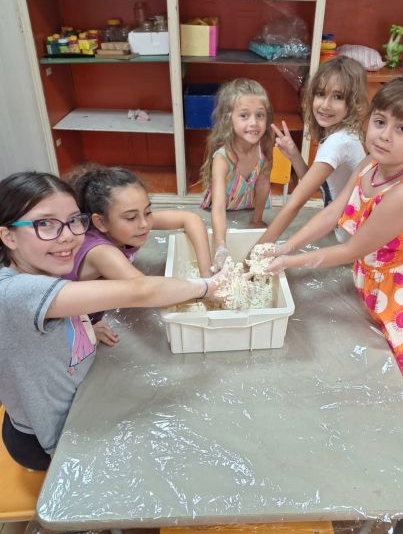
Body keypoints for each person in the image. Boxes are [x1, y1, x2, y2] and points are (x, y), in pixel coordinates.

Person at [266, 73, 403, 410]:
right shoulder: (371, 163)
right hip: (370, 280)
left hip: (402, 298)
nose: (384, 135)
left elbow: (351, 249)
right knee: (367, 378)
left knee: (400, 401)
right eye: (380, 122)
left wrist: (287, 262)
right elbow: (334, 211)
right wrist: (285, 247)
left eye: (402, 129)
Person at [0, 171, 222, 471]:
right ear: (9, 236)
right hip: (45, 436)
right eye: (45, 224)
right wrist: (209, 286)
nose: (67, 236)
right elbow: (141, 291)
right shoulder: (15, 291)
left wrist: (83, 326)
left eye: (73, 220)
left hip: (74, 401)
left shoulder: (42, 271)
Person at [64, 165, 213, 345]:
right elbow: (146, 291)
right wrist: (208, 287)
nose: (144, 224)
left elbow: (190, 218)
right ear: (100, 222)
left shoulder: (128, 225)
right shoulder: (101, 252)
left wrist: (206, 273)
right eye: (131, 217)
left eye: (148, 212)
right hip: (64, 322)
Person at [257, 55, 367, 247]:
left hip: (350, 241)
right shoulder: (342, 133)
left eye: (338, 97)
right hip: (345, 232)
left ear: (353, 103)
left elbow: (295, 203)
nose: (325, 105)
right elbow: (319, 186)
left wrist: (258, 251)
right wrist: (294, 154)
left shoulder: (338, 142)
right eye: (321, 94)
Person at [200, 78, 274, 270]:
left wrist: (256, 219)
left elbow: (263, 184)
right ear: (228, 118)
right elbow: (218, 207)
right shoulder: (223, 158)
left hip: (248, 206)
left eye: (260, 115)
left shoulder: (263, 149)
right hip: (223, 210)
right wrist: (220, 245)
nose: (254, 123)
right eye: (244, 115)